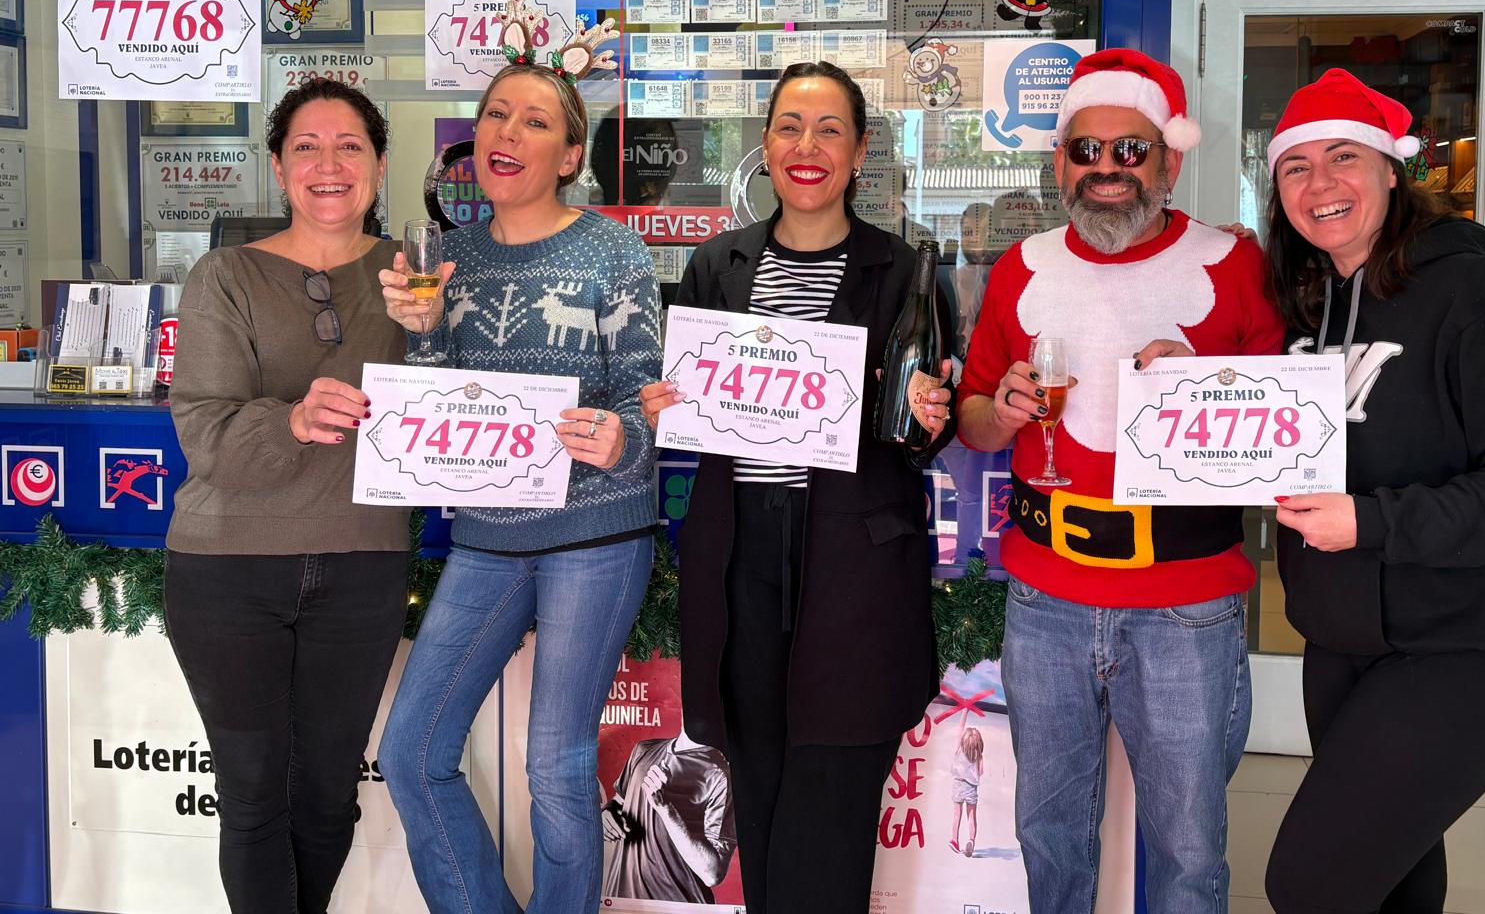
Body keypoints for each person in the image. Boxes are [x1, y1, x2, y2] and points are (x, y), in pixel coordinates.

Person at [954, 48, 1285, 913]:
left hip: (1186, 601)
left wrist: (1204, 376)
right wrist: (1007, 412)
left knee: (1187, 846)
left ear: (1169, 162)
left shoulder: (1235, 262)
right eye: (1085, 151)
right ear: (1059, 161)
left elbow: (1286, 426)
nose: (1106, 170)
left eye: (1130, 151)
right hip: (1046, 596)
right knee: (1049, 831)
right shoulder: (1020, 267)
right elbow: (974, 420)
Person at [1259, 70, 1485, 914]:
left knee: (1310, 883)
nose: (1320, 183)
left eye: (1344, 158)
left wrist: (1370, 523)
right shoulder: (1306, 305)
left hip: (1464, 650)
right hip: (1341, 641)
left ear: (1393, 170)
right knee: (1395, 879)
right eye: (1296, 166)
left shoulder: (1483, 300)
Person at [641, 60, 956, 914]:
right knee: (761, 785)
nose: (806, 147)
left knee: (833, 797)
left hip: (852, 559)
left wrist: (930, 414)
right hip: (741, 551)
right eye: (788, 127)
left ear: (858, 153)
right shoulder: (717, 266)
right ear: (765, 147)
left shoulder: (905, 271)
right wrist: (663, 402)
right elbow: (689, 409)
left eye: (829, 131)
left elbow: (927, 428)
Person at [376, 60, 663, 914]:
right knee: (410, 750)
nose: (508, 133)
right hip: (488, 538)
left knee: (556, 761)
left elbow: (646, 402)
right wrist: (422, 334)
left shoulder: (612, 247)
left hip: (595, 534)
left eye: (535, 121)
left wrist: (623, 440)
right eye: (496, 115)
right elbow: (439, 411)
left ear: (571, 154)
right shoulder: (448, 258)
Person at [164, 78, 407, 914]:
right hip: (225, 571)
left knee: (326, 792)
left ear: (379, 164)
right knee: (255, 794)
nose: (329, 164)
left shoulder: (420, 282)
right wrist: (295, 421)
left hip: (363, 569)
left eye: (350, 147)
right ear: (278, 167)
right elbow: (202, 430)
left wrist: (438, 329)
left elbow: (466, 416)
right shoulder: (225, 274)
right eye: (307, 146)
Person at [601, 727, 737, 903]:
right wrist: (606, 813)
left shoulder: (720, 773)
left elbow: (711, 874)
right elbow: (619, 802)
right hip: (622, 902)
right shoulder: (644, 750)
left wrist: (666, 809)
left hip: (678, 905)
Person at [949, 723, 984, 857]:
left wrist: (965, 710)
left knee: (957, 815)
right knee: (971, 816)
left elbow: (960, 728)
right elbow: (981, 772)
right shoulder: (979, 756)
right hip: (971, 788)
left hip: (958, 785)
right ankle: (971, 840)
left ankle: (955, 841)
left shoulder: (958, 750)